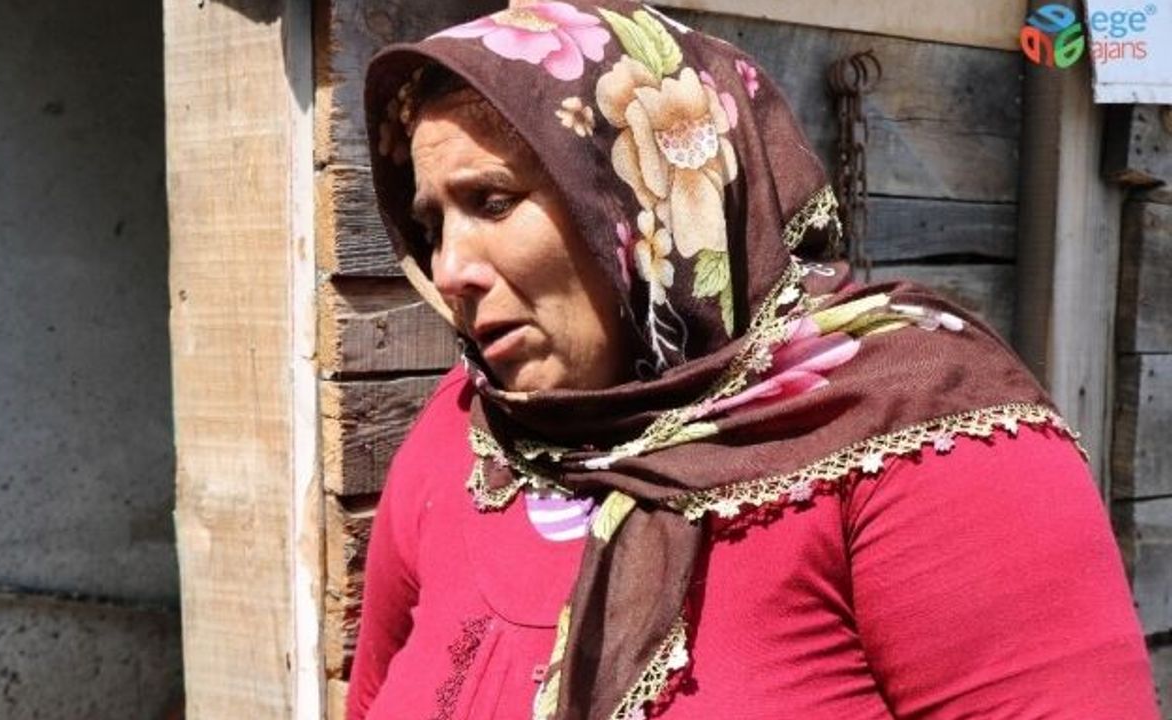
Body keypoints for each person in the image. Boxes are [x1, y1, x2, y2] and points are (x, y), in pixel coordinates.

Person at [349, 2, 1159, 718]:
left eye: (492, 201)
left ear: (637, 199)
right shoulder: (467, 437)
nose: (449, 269)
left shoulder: (922, 440)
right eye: (432, 226)